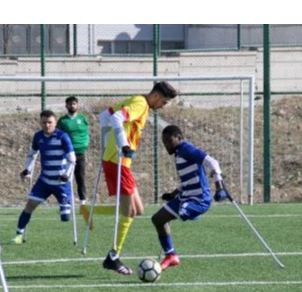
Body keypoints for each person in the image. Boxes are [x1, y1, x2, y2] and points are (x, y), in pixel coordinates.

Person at [81, 81, 178, 275]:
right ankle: (113, 257)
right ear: (157, 96)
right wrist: (121, 144)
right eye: (164, 102)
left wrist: (111, 140)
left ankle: (89, 211)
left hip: (120, 163)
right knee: (130, 212)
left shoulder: (137, 101)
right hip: (116, 162)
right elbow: (116, 117)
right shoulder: (140, 104)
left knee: (138, 209)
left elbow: (104, 116)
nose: (163, 106)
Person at [152, 125, 228, 270]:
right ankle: (171, 256)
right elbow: (187, 181)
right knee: (157, 219)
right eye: (164, 142)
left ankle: (193, 213)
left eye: (169, 141)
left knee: (182, 212)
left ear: (179, 138)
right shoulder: (179, 153)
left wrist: (220, 188)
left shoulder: (187, 149)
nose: (166, 145)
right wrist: (173, 194)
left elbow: (213, 163)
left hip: (199, 200)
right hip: (185, 197)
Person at [11, 110, 76, 244]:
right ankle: (18, 236)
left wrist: (66, 175)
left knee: (65, 218)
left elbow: (72, 159)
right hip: (44, 181)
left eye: (50, 122)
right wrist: (27, 170)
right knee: (29, 206)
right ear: (40, 123)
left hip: (61, 183)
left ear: (55, 123)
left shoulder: (63, 137)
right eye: (44, 122)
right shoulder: (38, 136)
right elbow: (32, 155)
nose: (47, 125)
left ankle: (65, 205)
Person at [57, 96, 90, 204]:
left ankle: (82, 202)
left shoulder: (82, 119)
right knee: (66, 178)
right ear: (66, 105)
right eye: (70, 104)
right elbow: (58, 135)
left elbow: (85, 134)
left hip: (80, 154)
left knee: (80, 178)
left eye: (74, 104)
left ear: (77, 105)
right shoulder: (62, 121)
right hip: (67, 154)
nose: (72, 106)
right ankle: (66, 202)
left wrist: (84, 145)